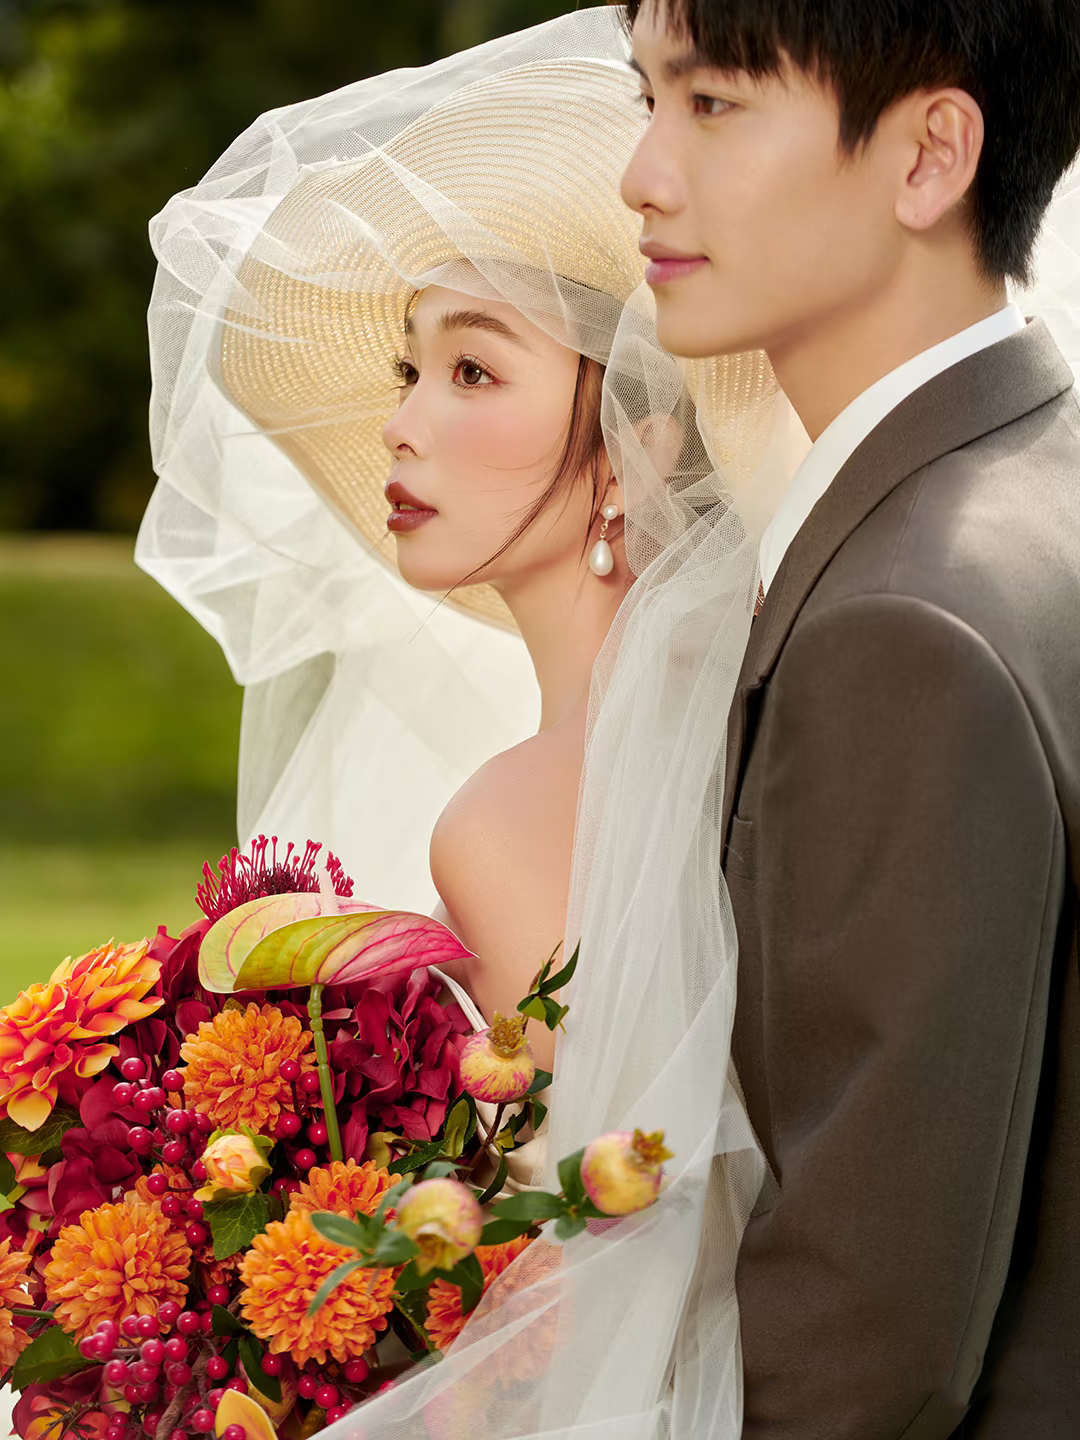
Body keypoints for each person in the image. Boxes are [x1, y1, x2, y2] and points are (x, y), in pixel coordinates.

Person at [138, 18, 802, 1439]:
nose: (402, 424)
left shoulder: (514, 816)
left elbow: (560, 1286)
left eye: (476, 372)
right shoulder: (745, 714)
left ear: (642, 435)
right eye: (409, 370)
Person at [622, 0, 1080, 1435]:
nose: (641, 175)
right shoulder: (1039, 480)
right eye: (645, 101)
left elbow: (866, 1345)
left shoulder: (906, 626)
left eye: (712, 104)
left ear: (930, 154)